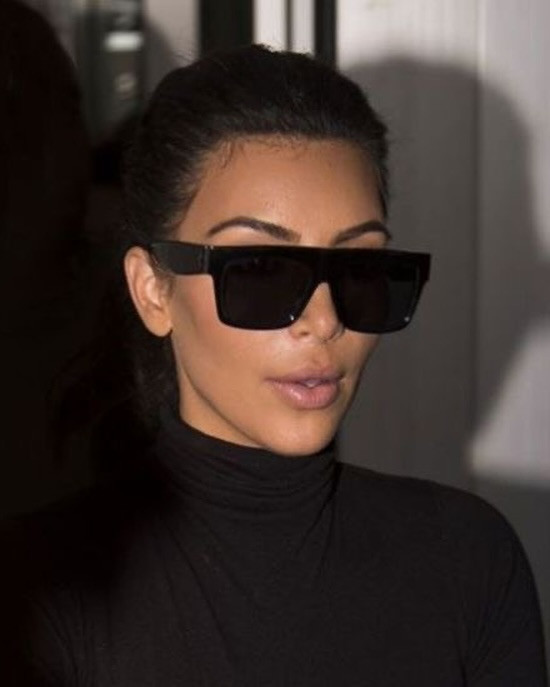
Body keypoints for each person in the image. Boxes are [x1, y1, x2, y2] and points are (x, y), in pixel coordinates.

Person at [1, 45, 547, 686]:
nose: (325, 319)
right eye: (260, 269)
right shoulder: (37, 592)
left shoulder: (468, 561)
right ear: (153, 291)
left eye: (360, 268)